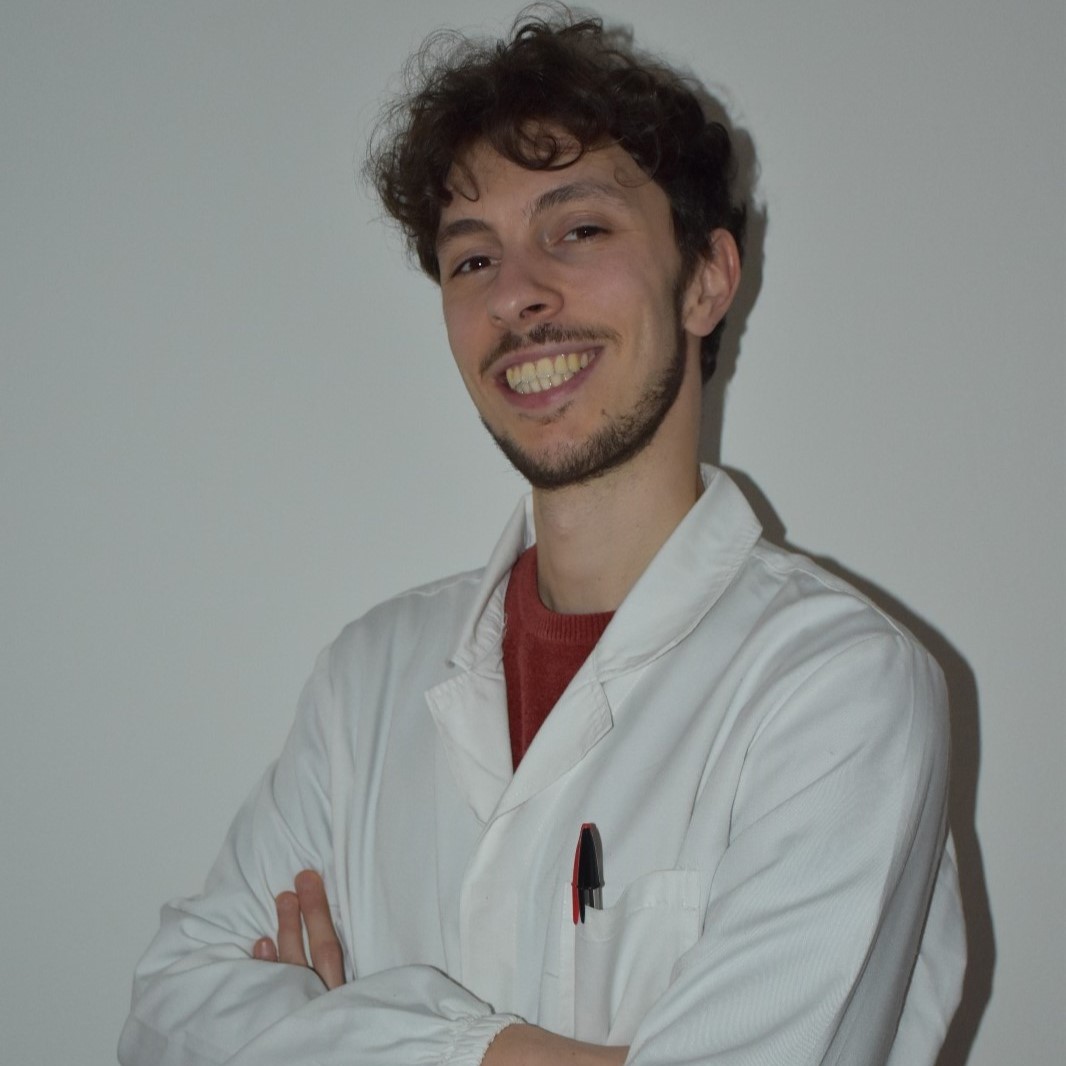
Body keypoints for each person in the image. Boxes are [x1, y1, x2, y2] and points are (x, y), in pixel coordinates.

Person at [118, 10, 965, 1065]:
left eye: (578, 231)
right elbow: (168, 1018)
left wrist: (340, 1030)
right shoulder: (367, 680)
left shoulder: (838, 687)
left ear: (706, 278)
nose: (516, 293)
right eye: (472, 258)